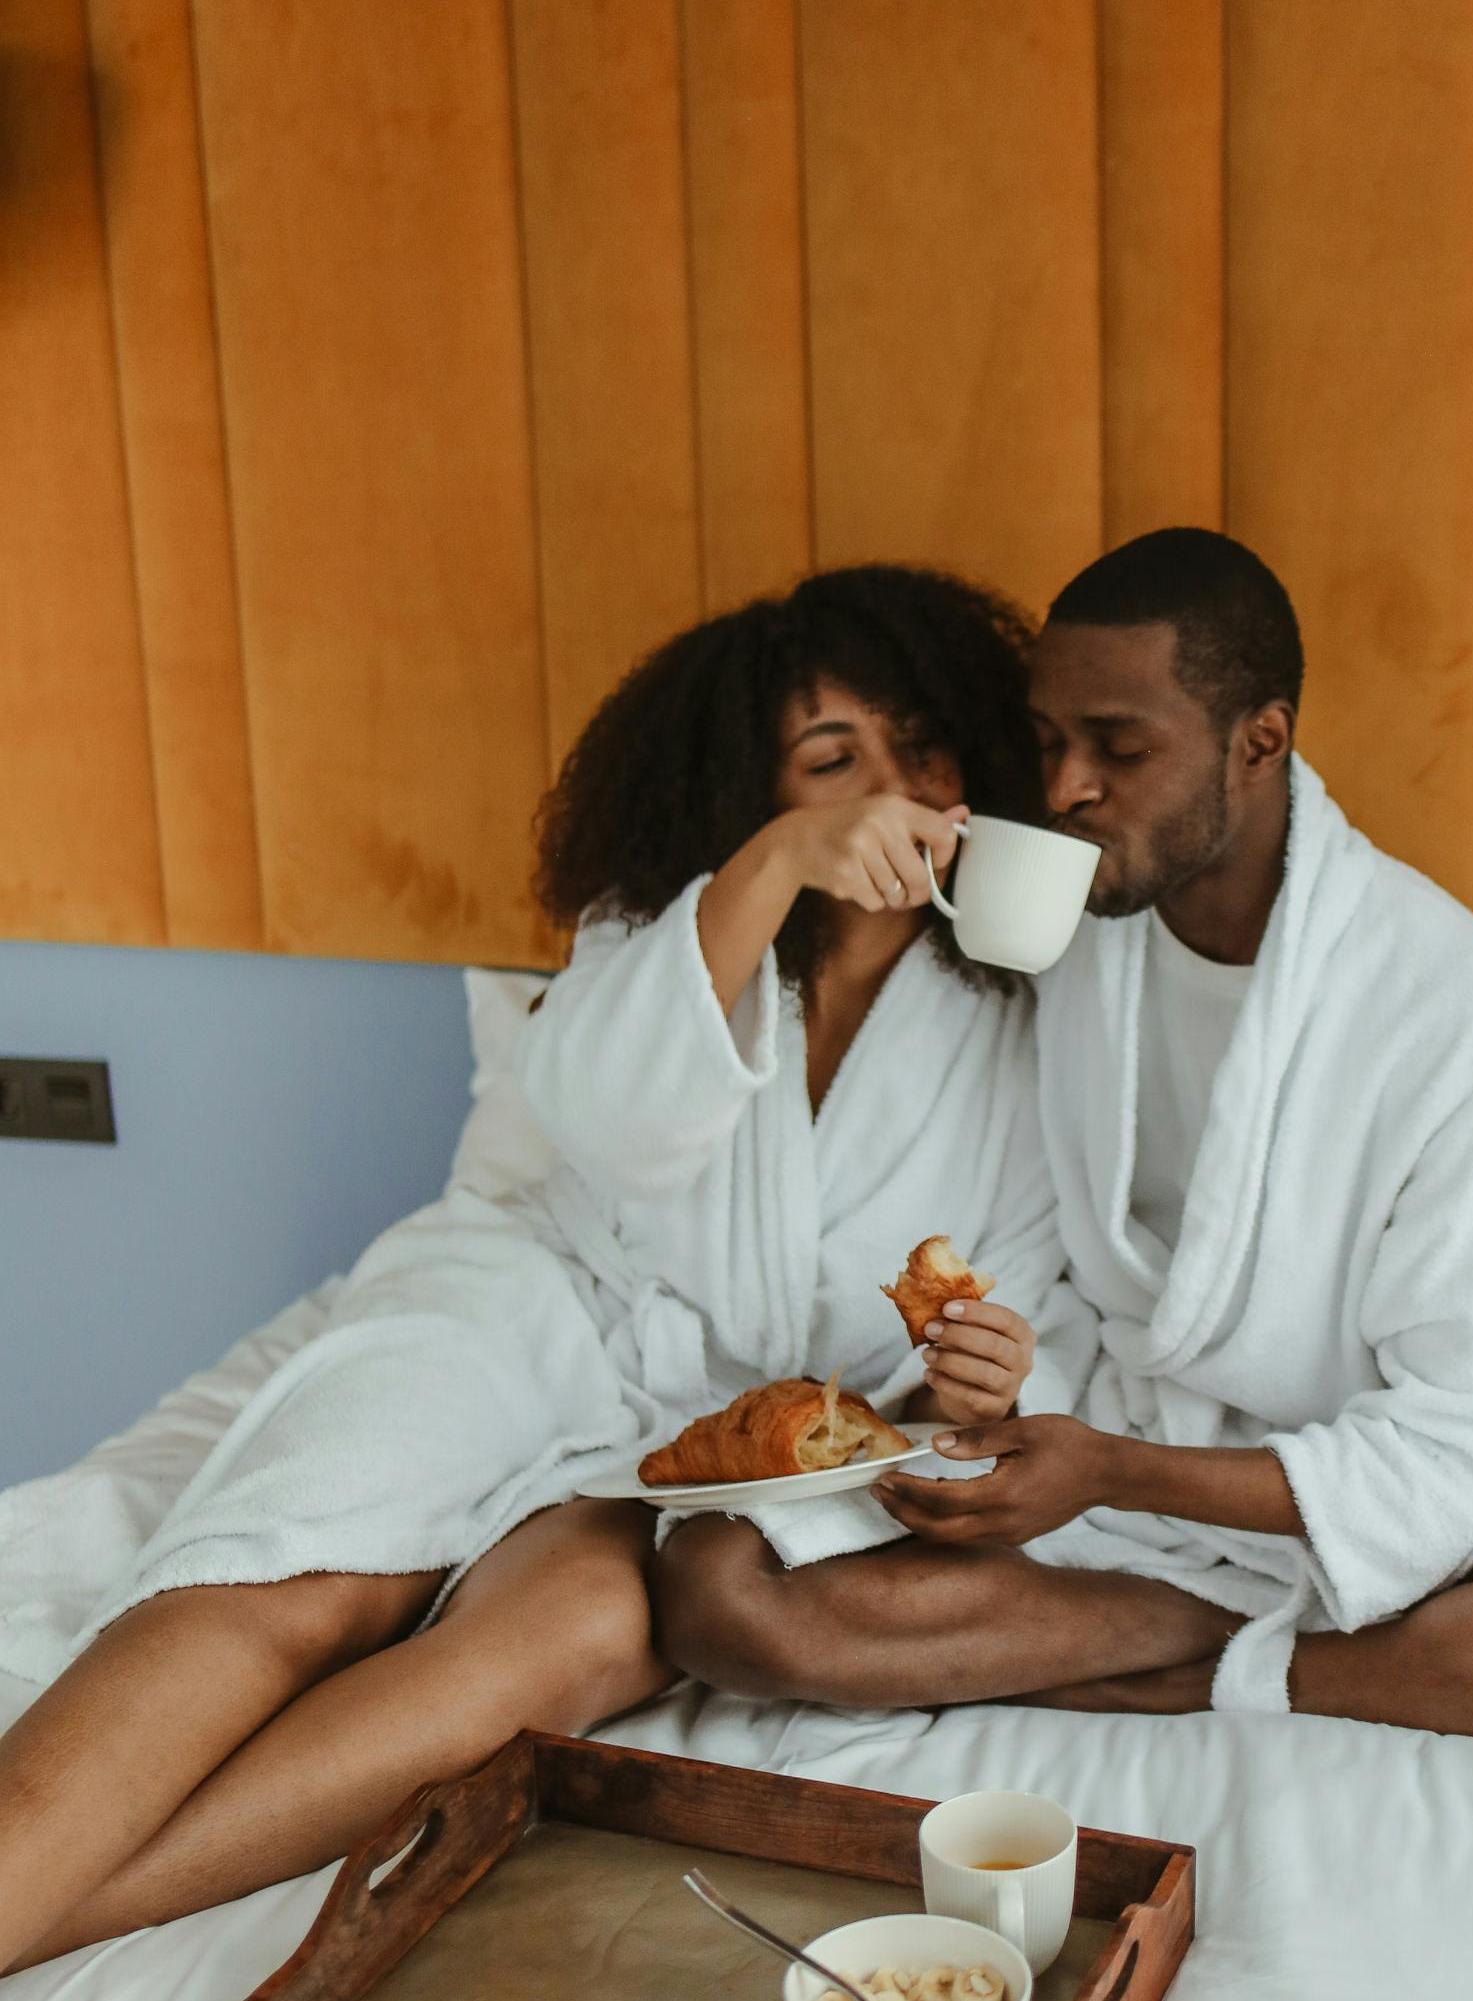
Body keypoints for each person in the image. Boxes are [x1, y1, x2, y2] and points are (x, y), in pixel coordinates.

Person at [0, 564, 1127, 1973]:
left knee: (572, 1640)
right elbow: (599, 1117)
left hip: (732, 1440)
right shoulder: (667, 925)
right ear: (758, 795)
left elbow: (1026, 1298)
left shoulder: (1035, 1013)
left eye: (923, 746)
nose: (893, 790)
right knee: (303, 1570)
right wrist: (778, 866)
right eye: (831, 762)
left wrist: (991, 1368)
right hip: (534, 1307)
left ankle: (63, 1906)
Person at [654, 528, 1473, 1744]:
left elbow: (1471, 1433)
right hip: (1086, 1457)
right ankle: (1236, 1636)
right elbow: (1025, 1246)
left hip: (1335, 1494)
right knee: (713, 1591)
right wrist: (1010, 1388)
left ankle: (1189, 1647)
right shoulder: (1070, 932)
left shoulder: (1455, 1006)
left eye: (1117, 748)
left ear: (1258, 740)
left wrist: (1111, 1471)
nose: (1062, 790)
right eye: (1048, 741)